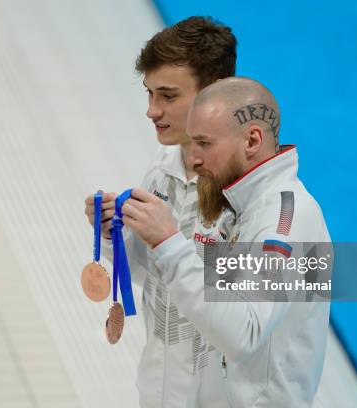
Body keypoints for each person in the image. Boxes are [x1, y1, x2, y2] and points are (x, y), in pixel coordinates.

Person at [121, 77, 331, 407]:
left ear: (251, 140)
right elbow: (199, 303)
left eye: (204, 144)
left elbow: (243, 333)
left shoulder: (284, 222)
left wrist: (170, 242)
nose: (193, 159)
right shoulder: (238, 204)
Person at [83, 17, 237, 408]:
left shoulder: (250, 193)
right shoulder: (164, 166)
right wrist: (112, 233)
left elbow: (250, 320)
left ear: (214, 93)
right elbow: (150, 272)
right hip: (160, 389)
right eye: (150, 94)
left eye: (168, 96)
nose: (152, 111)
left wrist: (169, 242)